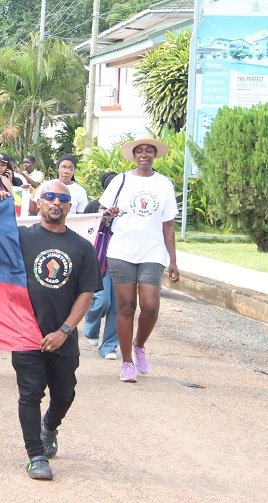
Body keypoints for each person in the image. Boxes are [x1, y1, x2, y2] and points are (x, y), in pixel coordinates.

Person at [14, 180, 100, 480]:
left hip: (63, 335)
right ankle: (35, 455)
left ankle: (49, 426)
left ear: (70, 206)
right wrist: (0, 202)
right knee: (30, 393)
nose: (56, 202)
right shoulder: (20, 239)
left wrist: (65, 330)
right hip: (25, 333)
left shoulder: (82, 248)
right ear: (38, 202)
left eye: (63, 198)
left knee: (64, 394)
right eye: (49, 196)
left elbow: (87, 292)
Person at [100, 135, 180, 383]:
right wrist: (108, 213)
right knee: (125, 306)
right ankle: (126, 363)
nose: (144, 155)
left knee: (150, 305)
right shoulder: (120, 181)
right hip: (122, 250)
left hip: (152, 252)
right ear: (133, 156)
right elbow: (103, 214)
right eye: (139, 151)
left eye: (149, 151)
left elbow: (168, 225)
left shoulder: (164, 184)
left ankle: (139, 344)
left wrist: (173, 261)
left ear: (154, 155)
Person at [83, 172, 119, 359]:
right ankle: (91, 326)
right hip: (101, 259)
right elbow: (87, 231)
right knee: (102, 300)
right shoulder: (94, 206)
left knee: (119, 306)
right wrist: (104, 217)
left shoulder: (131, 206)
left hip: (123, 260)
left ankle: (109, 346)